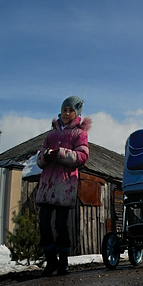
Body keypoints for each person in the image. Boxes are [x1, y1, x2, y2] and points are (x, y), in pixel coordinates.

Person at [36, 95, 90, 276]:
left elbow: (82, 157)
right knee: (43, 224)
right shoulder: (51, 134)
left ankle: (64, 262)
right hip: (47, 186)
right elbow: (39, 160)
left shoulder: (79, 133)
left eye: (70, 110)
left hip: (65, 184)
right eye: (64, 109)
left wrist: (60, 153)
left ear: (76, 113)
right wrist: (46, 156)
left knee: (61, 225)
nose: (66, 113)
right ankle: (51, 261)